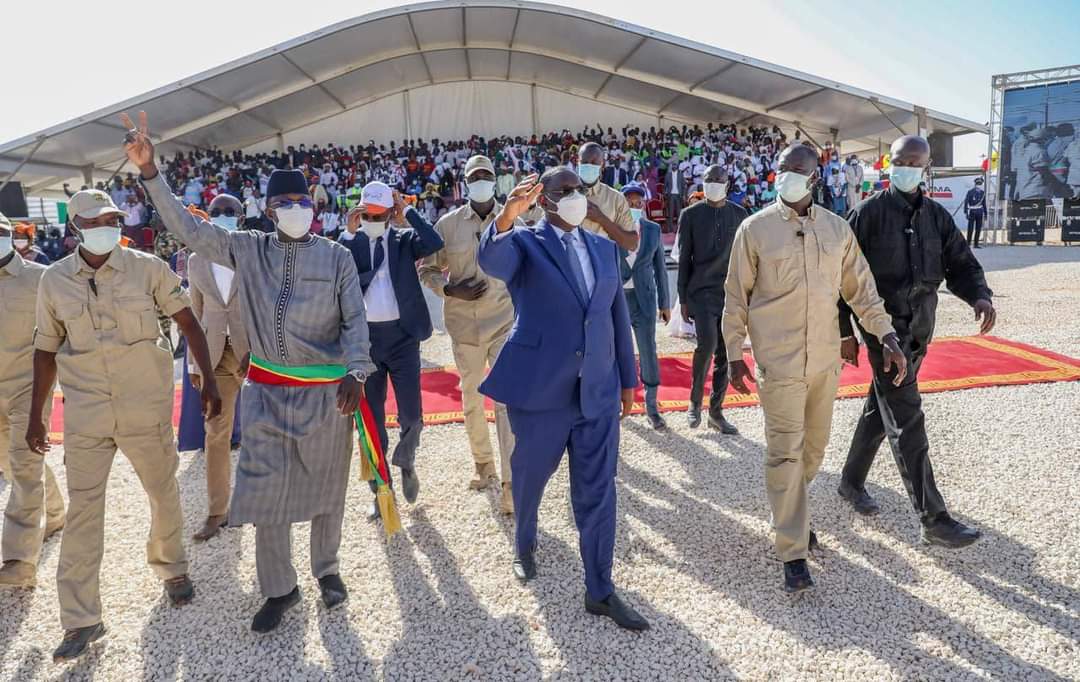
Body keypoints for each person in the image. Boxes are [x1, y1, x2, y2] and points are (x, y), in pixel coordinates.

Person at [123, 111, 374, 634]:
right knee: (266, 492)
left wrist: (356, 369)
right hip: (266, 393)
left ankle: (327, 570)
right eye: (285, 204)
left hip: (329, 394)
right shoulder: (249, 248)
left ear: (315, 206)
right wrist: (151, 174)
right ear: (268, 210)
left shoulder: (337, 258)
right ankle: (280, 589)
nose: (296, 211)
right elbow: (187, 227)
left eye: (303, 203)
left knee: (328, 485)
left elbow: (355, 319)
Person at [27, 186, 221, 662]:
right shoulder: (53, 281)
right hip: (86, 414)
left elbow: (189, 323)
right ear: (77, 228)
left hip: (144, 408)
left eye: (111, 220)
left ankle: (172, 567)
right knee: (84, 513)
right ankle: (80, 619)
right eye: (95, 223)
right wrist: (36, 415)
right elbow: (45, 351)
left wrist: (209, 382)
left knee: (162, 492)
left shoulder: (148, 268)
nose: (106, 228)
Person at [723, 144, 906, 593]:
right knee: (785, 452)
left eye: (798, 171)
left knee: (813, 452)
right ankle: (792, 551)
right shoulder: (755, 230)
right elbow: (735, 297)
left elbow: (861, 291)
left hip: (824, 361)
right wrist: (732, 353)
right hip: (779, 362)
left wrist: (886, 336)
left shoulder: (837, 230)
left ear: (815, 178)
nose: (788, 176)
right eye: (783, 170)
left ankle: (791, 510)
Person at [478, 167, 648, 631]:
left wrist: (628, 380)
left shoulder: (603, 246)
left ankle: (600, 589)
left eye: (578, 190)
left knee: (599, 491)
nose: (574, 197)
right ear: (545, 200)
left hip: (596, 391)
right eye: (563, 191)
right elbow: (492, 262)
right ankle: (524, 542)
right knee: (529, 480)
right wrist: (507, 216)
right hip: (540, 392)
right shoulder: (526, 243)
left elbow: (615, 317)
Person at [836, 135, 996, 549]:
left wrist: (979, 295)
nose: (906, 166)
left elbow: (960, 262)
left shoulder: (937, 217)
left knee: (882, 406)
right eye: (900, 160)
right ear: (890, 163)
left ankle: (851, 482)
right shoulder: (866, 215)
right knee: (908, 417)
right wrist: (843, 332)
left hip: (920, 329)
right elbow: (840, 278)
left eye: (915, 161)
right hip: (882, 332)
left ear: (925, 168)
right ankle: (932, 517)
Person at [338, 181, 444, 520]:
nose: (372, 219)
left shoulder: (402, 240)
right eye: (367, 213)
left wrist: (407, 212)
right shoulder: (349, 245)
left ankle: (406, 460)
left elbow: (434, 242)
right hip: (365, 342)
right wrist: (348, 233)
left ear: (388, 213)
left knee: (412, 416)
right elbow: (333, 271)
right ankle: (381, 490)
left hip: (403, 338)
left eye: (378, 214)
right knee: (373, 422)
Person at [418, 155, 515, 513]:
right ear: (464, 183)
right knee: (472, 398)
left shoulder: (512, 218)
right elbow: (427, 269)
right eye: (475, 177)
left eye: (487, 175)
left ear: (496, 180)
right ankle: (483, 464)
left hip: (503, 321)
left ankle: (511, 483)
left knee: (507, 400)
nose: (481, 181)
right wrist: (449, 289)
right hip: (463, 326)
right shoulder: (447, 225)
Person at [0, 213, 66, 588]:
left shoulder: (41, 279)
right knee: (11, 465)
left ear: (12, 236)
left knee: (24, 468)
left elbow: (62, 336)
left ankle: (19, 558)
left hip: (29, 386)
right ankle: (55, 513)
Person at [186, 193, 251, 541]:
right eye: (218, 212)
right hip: (214, 358)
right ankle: (216, 511)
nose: (224, 216)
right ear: (208, 217)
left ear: (241, 218)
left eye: (231, 212)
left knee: (264, 431)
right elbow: (194, 315)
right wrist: (195, 365)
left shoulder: (252, 253)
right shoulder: (195, 261)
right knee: (216, 434)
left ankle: (261, 504)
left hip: (253, 355)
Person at [676, 165, 746, 433]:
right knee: (707, 345)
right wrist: (682, 297)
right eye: (709, 180)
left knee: (726, 354)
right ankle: (694, 402)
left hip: (730, 292)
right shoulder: (691, 215)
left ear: (727, 184)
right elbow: (684, 259)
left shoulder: (740, 215)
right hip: (701, 291)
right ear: (702, 183)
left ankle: (716, 412)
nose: (714, 183)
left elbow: (746, 258)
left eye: (718, 180)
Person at [620, 185, 671, 430]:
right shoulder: (611, 229)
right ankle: (617, 401)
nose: (634, 207)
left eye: (638, 203)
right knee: (616, 351)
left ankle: (652, 405)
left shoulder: (652, 230)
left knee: (648, 349)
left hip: (645, 299)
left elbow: (661, 269)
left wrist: (665, 302)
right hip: (617, 300)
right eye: (629, 202)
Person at [577, 142, 639, 251]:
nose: (589, 166)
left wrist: (601, 218)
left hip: (603, 264)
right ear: (578, 163)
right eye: (584, 162)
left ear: (602, 165)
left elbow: (632, 244)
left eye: (593, 163)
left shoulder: (616, 199)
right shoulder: (563, 194)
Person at [963, 177, 988, 248]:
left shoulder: (982, 193)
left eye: (980, 183)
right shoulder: (970, 192)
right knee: (970, 228)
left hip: (980, 212)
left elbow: (984, 204)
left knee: (978, 228)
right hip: (972, 212)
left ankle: (976, 244)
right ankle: (968, 243)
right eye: (978, 183)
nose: (979, 185)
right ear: (975, 184)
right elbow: (966, 202)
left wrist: (986, 213)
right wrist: (966, 212)